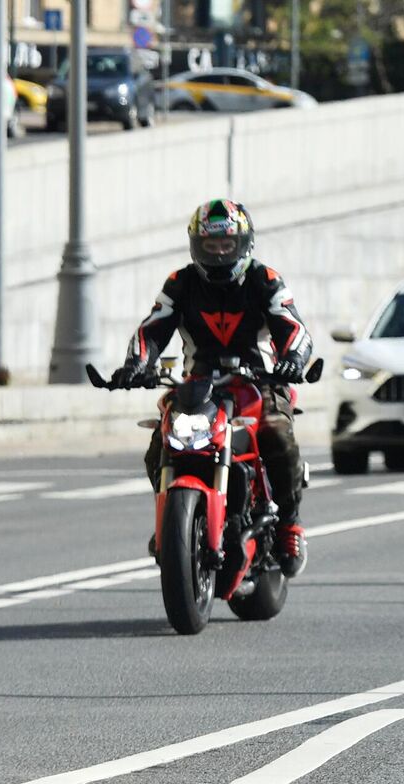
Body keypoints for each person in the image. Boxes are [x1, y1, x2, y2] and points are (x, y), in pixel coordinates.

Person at [110, 198, 313, 577]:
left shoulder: (264, 280)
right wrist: (136, 364)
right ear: (196, 246)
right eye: (210, 246)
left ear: (244, 244)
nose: (219, 254)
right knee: (160, 445)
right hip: (198, 386)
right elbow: (152, 329)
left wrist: (293, 360)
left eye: (226, 245)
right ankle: (171, 524)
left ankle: (290, 525)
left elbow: (295, 329)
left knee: (278, 433)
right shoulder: (180, 282)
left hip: (258, 383)